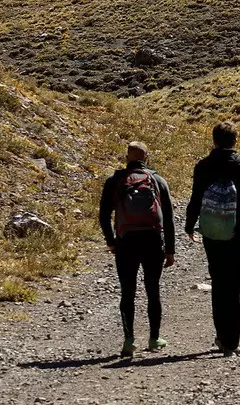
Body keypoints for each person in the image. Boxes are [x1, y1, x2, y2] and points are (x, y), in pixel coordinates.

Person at [184, 122, 240, 357]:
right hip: (238, 231)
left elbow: (195, 198)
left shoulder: (203, 166)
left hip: (212, 234)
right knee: (236, 286)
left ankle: (221, 336)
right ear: (235, 141)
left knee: (219, 283)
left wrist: (190, 225)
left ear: (214, 141)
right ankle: (233, 342)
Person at [97, 140, 175, 359]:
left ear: (126, 158)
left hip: (126, 242)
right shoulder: (158, 180)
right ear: (146, 158)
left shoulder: (115, 180)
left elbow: (104, 214)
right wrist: (170, 249)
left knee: (127, 291)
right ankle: (154, 339)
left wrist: (111, 241)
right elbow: (168, 218)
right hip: (152, 242)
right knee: (152, 289)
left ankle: (129, 340)